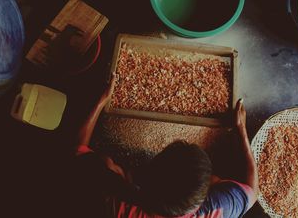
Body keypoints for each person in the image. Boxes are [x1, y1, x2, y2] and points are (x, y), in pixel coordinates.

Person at [75, 79, 258, 218]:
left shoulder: (120, 205)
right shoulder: (215, 209)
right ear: (198, 204)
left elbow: (78, 149)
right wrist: (241, 131)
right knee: (217, 180)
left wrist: (100, 101)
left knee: (105, 164)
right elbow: (252, 191)